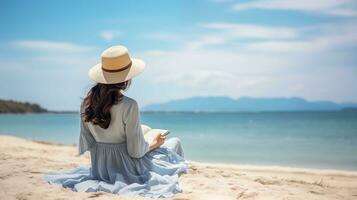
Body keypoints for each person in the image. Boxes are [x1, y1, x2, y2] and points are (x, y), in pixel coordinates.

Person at [43, 45, 189, 198]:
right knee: (174, 143)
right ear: (127, 78)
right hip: (126, 168)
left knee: (144, 132)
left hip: (100, 168)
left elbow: (88, 142)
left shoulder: (86, 103)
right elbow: (135, 152)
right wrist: (155, 143)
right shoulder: (129, 105)